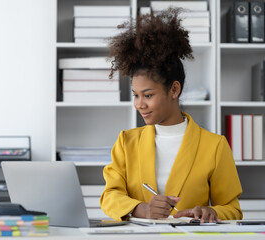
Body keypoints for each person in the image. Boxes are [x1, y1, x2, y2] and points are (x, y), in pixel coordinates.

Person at [100, 9, 242, 222]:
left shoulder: (215, 146)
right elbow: (110, 196)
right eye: (136, 95)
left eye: (148, 95)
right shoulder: (126, 142)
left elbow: (232, 209)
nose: (139, 104)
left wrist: (213, 212)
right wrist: (142, 209)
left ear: (174, 90)